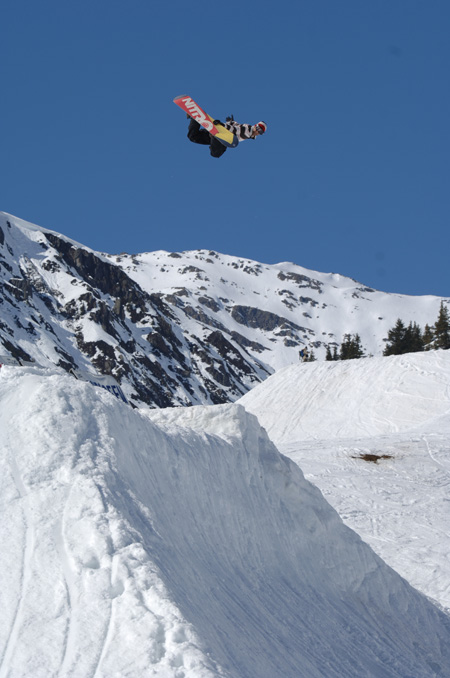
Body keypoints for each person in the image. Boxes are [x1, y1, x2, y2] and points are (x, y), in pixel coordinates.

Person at [187, 115, 267, 158]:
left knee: (193, 136)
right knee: (215, 154)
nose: (257, 131)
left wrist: (230, 121)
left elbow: (236, 125)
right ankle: (214, 137)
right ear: (255, 126)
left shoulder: (248, 128)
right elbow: (235, 130)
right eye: (257, 129)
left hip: (220, 134)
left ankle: (194, 118)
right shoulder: (248, 131)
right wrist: (223, 126)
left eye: (260, 132)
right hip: (222, 138)